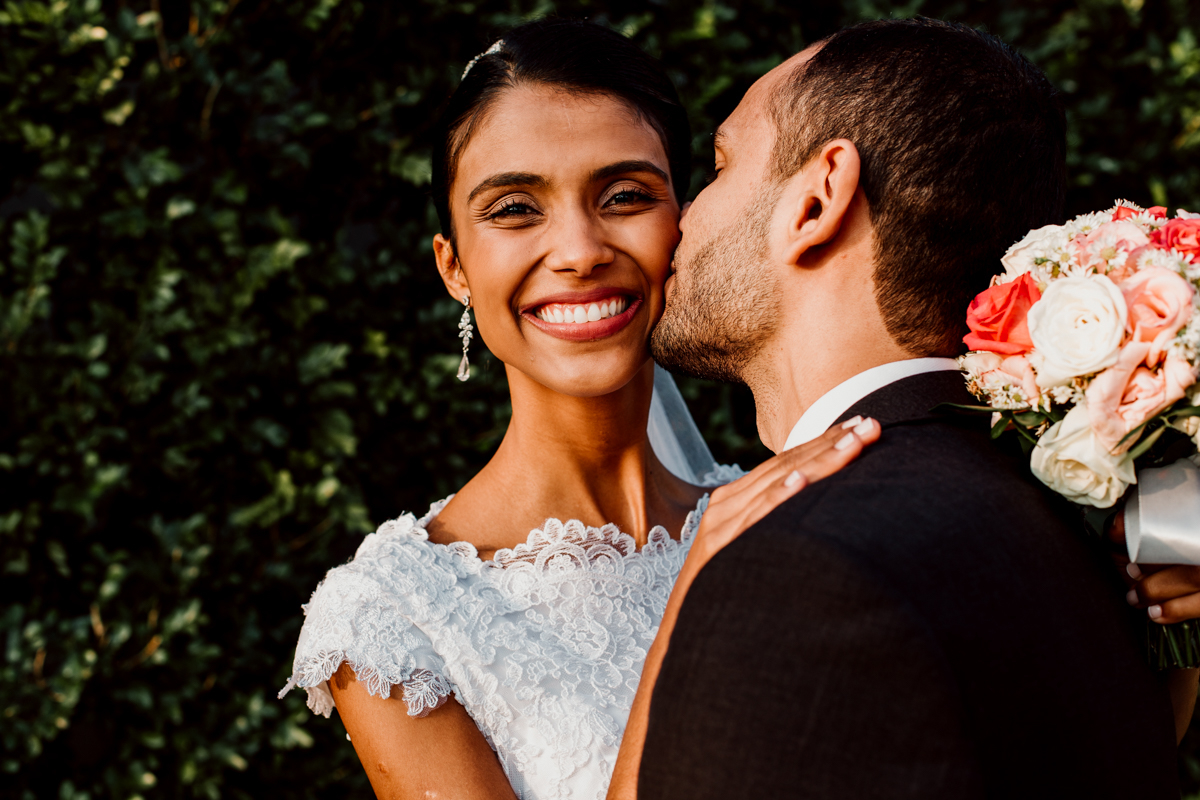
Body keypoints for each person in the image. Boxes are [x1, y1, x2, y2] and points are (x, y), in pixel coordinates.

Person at [278, 18, 879, 800]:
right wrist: (691, 613)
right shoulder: (394, 617)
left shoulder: (784, 510)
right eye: (514, 209)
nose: (580, 251)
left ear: (685, 222)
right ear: (454, 268)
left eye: (625, 196)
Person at [611, 18, 1193, 800]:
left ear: (817, 200)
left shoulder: (804, 568)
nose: (682, 218)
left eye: (720, 167)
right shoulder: (1112, 542)